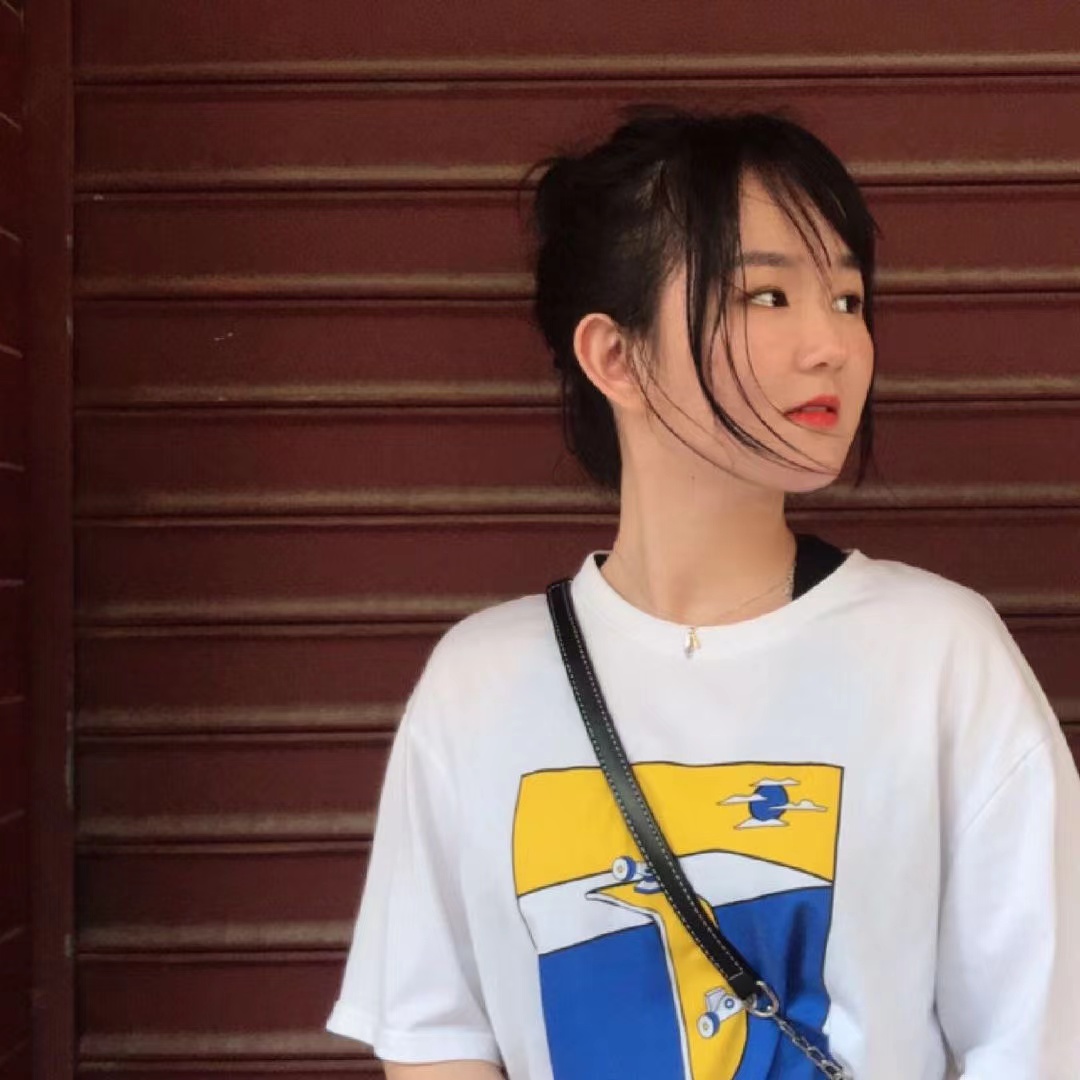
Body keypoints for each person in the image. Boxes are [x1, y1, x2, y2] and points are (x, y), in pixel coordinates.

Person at [326, 108, 1080, 1079]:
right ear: (615, 356)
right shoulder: (479, 684)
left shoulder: (939, 655)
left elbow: (1038, 1039)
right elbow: (437, 1038)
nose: (832, 344)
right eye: (767, 295)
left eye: (847, 298)